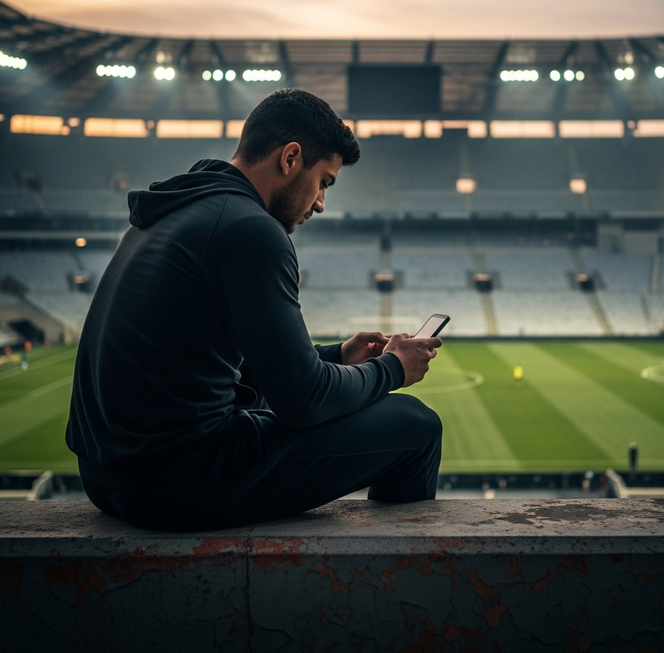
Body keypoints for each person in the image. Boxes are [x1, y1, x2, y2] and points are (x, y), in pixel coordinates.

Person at [66, 88, 443, 531]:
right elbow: (303, 401)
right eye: (323, 181)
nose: (321, 203)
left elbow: (254, 368)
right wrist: (394, 369)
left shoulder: (181, 209)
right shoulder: (252, 230)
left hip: (104, 475)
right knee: (415, 425)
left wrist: (337, 356)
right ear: (290, 158)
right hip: (176, 482)